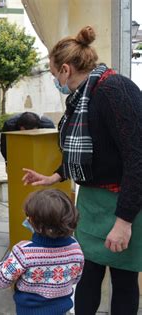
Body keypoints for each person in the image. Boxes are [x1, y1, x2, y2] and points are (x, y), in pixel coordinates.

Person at [22, 26, 142, 314]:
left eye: (54, 75)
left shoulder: (115, 91)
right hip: (90, 203)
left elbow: (138, 159)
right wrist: (56, 175)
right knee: (87, 277)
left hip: (124, 203)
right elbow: (91, 151)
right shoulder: (80, 98)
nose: (55, 81)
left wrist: (123, 222)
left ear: (65, 70)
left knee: (124, 281)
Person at [0, 189, 84, 315]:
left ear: (35, 223)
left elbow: (0, 281)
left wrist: (9, 260)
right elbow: (75, 278)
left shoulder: (23, 252)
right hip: (62, 310)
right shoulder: (76, 247)